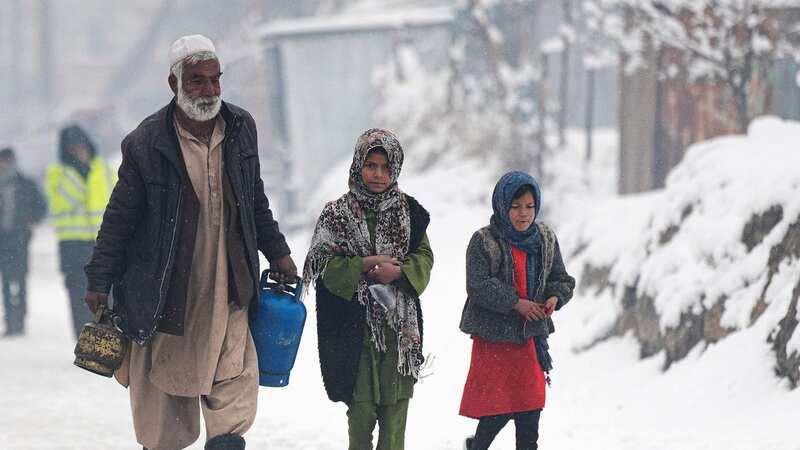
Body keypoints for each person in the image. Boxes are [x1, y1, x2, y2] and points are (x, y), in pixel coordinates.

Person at [83, 34, 297, 450]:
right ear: (174, 83)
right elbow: (119, 219)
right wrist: (99, 279)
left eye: (215, 80)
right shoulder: (146, 143)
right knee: (165, 411)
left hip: (229, 288)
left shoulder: (240, 128)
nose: (209, 90)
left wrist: (280, 253)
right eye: (197, 81)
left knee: (232, 395)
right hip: (166, 295)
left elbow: (254, 201)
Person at [302, 128, 434, 450]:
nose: (378, 174)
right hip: (354, 332)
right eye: (371, 165)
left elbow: (424, 257)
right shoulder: (336, 214)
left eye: (386, 167)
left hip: (398, 334)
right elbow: (321, 263)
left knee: (394, 424)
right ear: (358, 164)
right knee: (360, 422)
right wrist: (363, 264)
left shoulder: (410, 213)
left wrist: (398, 272)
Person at [458, 171, 575, 450]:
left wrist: (554, 299)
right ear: (502, 205)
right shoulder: (484, 241)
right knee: (497, 411)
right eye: (515, 206)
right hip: (496, 341)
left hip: (529, 342)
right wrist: (516, 303)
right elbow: (478, 285)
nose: (523, 214)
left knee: (529, 412)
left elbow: (562, 279)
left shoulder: (545, 238)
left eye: (529, 206)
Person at [45, 124, 115, 338]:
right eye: (72, 147)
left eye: (80, 145)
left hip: (101, 242)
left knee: (107, 292)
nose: (78, 150)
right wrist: (79, 170)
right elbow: (62, 202)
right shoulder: (58, 174)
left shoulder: (102, 169)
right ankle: (83, 337)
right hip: (72, 244)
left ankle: (106, 337)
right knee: (78, 293)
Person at [0, 148, 46, 337]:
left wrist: (30, 222)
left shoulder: (26, 184)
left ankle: (20, 318)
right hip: (2, 241)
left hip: (19, 241)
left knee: (20, 280)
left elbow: (41, 208)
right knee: (6, 282)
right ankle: (10, 321)